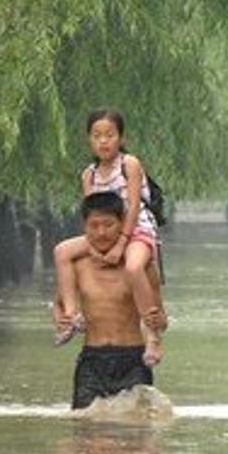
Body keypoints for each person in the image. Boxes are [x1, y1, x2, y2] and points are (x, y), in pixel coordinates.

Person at [52, 108, 167, 364]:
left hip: (137, 230)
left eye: (110, 135)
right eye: (97, 136)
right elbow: (90, 214)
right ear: (89, 140)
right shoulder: (89, 175)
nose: (103, 141)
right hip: (105, 233)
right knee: (62, 251)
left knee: (135, 266)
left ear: (121, 138)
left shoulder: (130, 164)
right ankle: (72, 316)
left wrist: (122, 244)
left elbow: (135, 205)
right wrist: (93, 248)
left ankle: (153, 338)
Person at [65, 192, 158, 409]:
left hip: (133, 360)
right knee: (85, 431)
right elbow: (61, 306)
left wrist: (155, 322)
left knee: (137, 433)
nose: (101, 232)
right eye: (94, 225)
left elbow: (160, 317)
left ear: (123, 224)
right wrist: (66, 319)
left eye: (108, 224)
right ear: (84, 226)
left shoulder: (140, 266)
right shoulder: (76, 266)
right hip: (92, 361)